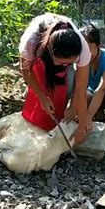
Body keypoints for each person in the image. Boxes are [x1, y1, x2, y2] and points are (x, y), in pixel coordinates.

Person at [19, 13, 92, 144]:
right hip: (40, 57)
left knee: (66, 84)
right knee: (40, 88)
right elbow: (25, 70)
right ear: (50, 51)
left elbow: (81, 88)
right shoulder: (32, 42)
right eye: (60, 62)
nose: (64, 65)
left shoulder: (82, 49)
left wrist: (81, 125)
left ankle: (57, 117)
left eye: (69, 62)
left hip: (58, 53)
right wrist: (41, 96)